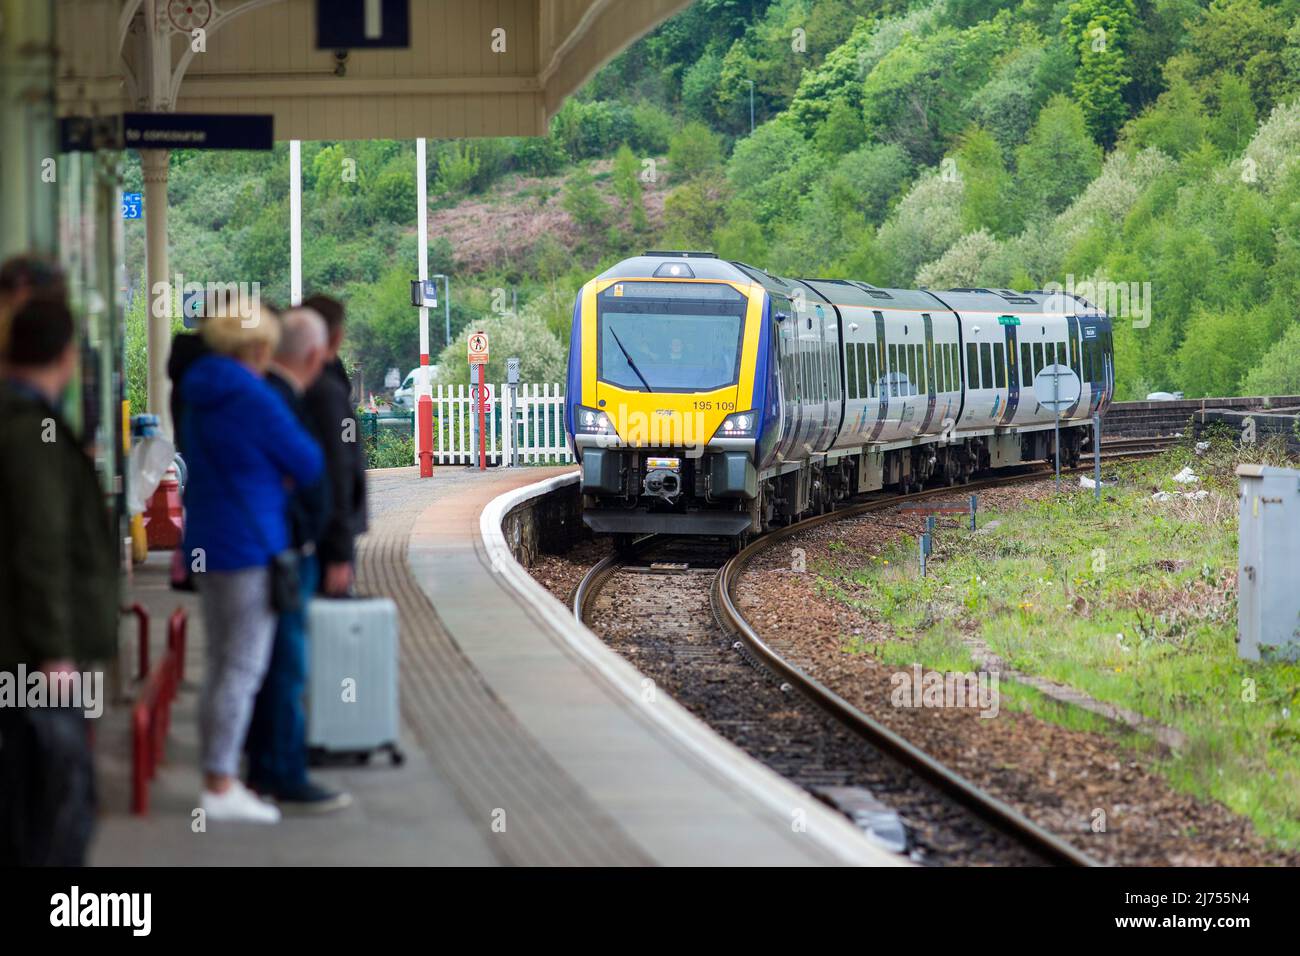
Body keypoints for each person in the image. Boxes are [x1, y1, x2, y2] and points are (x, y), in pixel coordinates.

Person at [180, 304, 323, 823]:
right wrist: (275, 475)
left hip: (207, 543)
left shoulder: (198, 392)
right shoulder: (253, 396)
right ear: (260, 350)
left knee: (220, 664)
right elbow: (306, 461)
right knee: (241, 669)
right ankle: (219, 786)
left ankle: (217, 776)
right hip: (250, 546)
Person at [0, 297, 118, 864]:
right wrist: (54, 652)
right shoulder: (33, 433)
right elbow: (40, 548)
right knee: (53, 801)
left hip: (19, 650)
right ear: (68, 356)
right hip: (30, 655)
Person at [245, 307, 351, 812]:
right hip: (284, 549)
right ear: (314, 353)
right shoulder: (286, 399)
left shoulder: (259, 394)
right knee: (286, 665)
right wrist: (326, 543)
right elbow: (315, 470)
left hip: (265, 547)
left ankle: (264, 764)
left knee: (264, 664)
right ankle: (281, 771)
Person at [301, 295, 368, 596]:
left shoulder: (297, 384)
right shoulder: (327, 391)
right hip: (324, 533)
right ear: (337, 336)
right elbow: (339, 466)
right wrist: (340, 549)